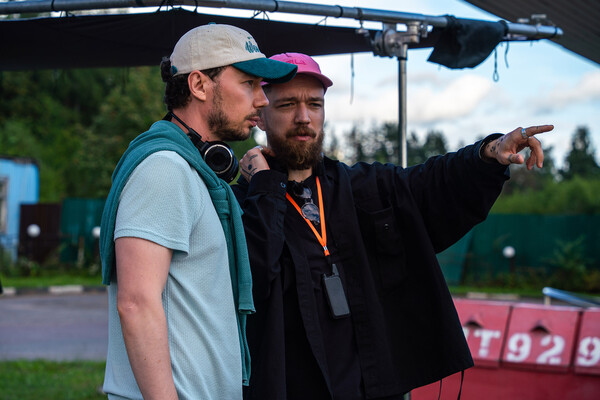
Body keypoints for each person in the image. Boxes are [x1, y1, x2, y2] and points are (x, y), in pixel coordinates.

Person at [233, 52, 553, 400]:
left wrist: (488, 153)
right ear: (260, 115)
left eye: (314, 104)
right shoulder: (242, 205)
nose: (303, 117)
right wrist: (265, 187)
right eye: (287, 105)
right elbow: (250, 277)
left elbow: (431, 183)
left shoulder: (361, 187)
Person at [98, 25, 297, 400]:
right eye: (249, 83)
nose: (262, 100)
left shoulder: (195, 174)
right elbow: (136, 303)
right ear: (199, 85)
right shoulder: (164, 170)